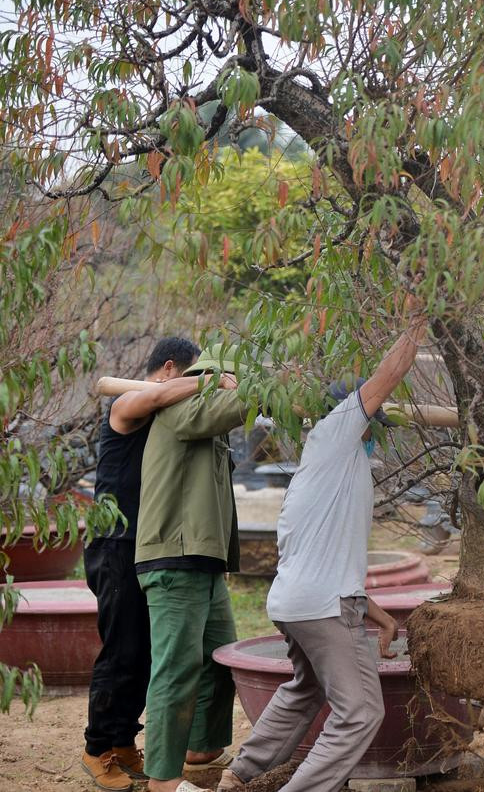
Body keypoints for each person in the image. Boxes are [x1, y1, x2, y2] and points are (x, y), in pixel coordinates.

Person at [218, 322, 425, 792]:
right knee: (362, 713)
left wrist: (383, 619)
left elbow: (329, 567)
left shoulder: (324, 468)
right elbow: (389, 374)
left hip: (298, 602)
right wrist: (417, 319)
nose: (378, 432)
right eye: (374, 419)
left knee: (305, 687)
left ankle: (240, 773)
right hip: (322, 608)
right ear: (357, 414)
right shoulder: (336, 433)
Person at [83, 337, 222, 792]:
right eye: (189, 375)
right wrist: (215, 380)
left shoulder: (163, 412)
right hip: (115, 543)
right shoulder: (127, 402)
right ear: (168, 368)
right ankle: (96, 748)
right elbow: (160, 395)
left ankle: (124, 742)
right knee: (121, 651)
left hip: (143, 545)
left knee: (144, 652)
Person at [136, 345, 253, 792]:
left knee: (222, 658)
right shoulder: (181, 406)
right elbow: (224, 406)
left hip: (202, 561)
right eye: (225, 376)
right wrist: (265, 390)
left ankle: (200, 750)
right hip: (173, 557)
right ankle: (162, 779)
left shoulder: (211, 423)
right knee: (176, 670)